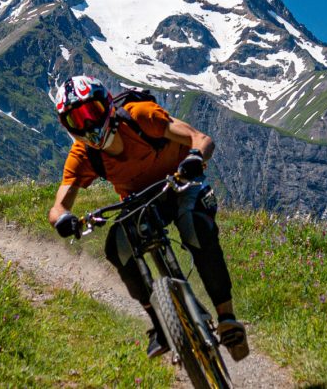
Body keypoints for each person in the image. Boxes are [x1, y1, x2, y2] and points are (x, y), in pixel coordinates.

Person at [46, 75, 249, 362]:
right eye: (76, 120)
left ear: (106, 106)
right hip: (138, 201)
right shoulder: (83, 155)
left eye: (91, 113)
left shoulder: (141, 116)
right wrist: (64, 219)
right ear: (67, 127)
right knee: (117, 248)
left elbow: (200, 139)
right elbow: (58, 207)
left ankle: (227, 318)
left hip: (178, 182)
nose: (88, 124)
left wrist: (194, 159)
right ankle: (160, 323)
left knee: (195, 226)